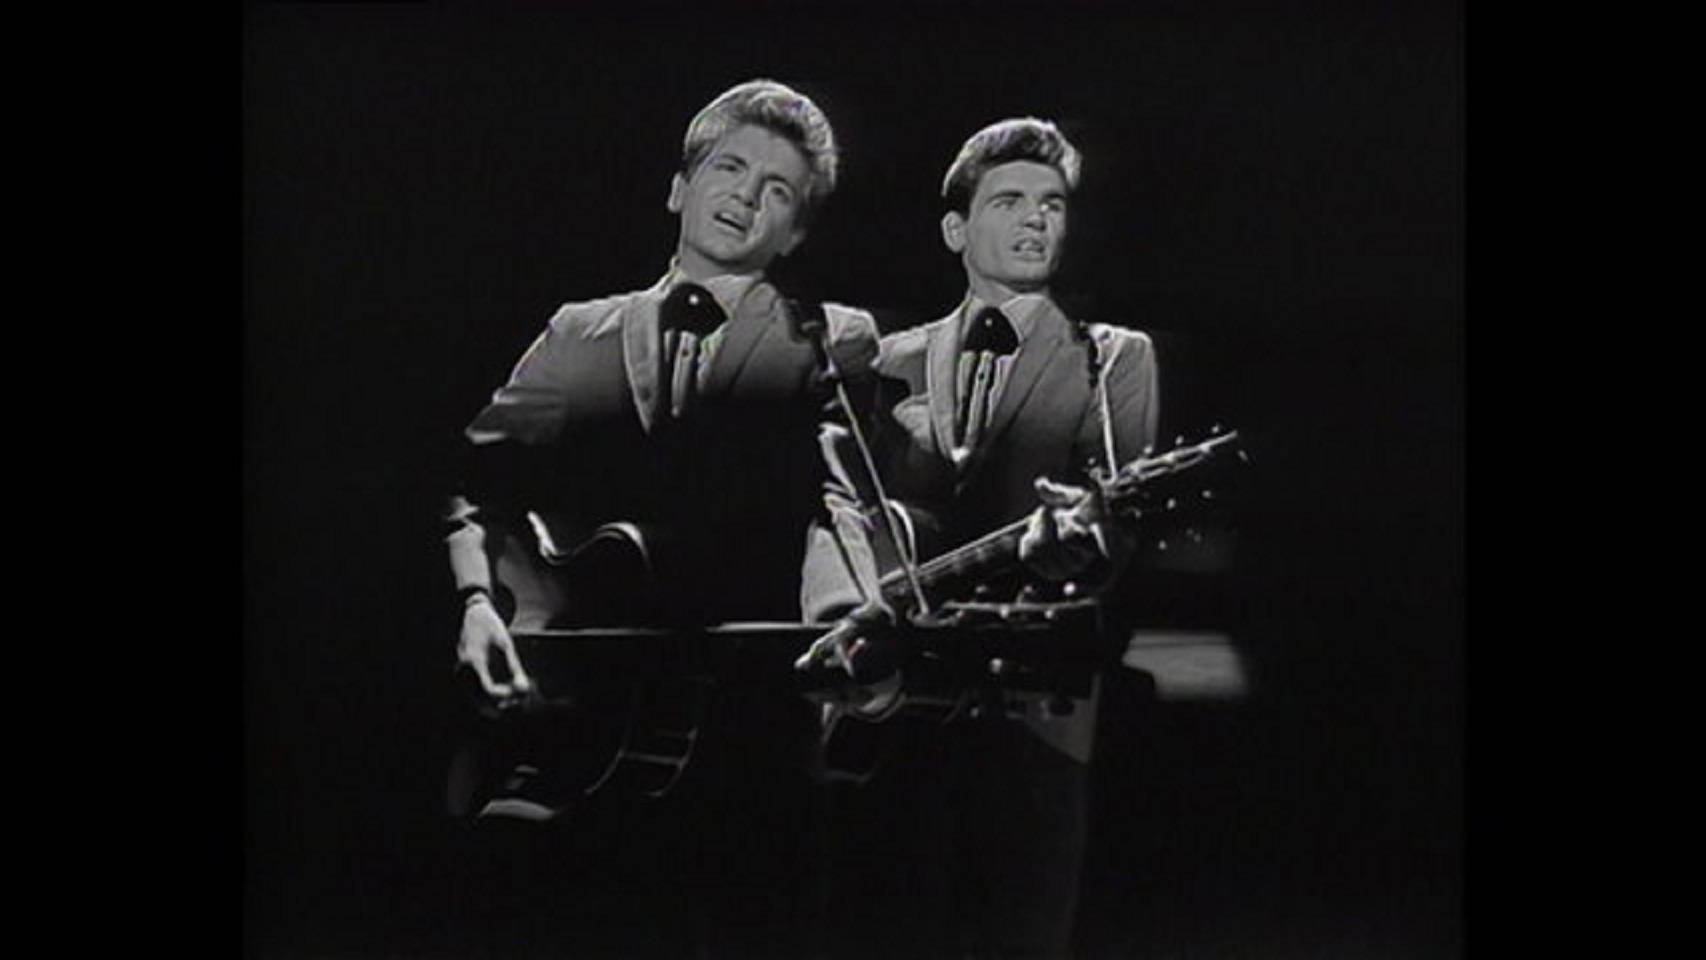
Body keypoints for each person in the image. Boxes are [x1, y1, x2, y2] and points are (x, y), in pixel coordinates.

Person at [441, 79, 877, 958]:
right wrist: (478, 603)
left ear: (794, 233)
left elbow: (837, 501)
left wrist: (850, 611)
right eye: (729, 168)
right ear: (680, 187)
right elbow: (472, 483)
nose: (746, 197)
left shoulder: (832, 339)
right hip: (591, 741)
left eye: (778, 190)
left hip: (751, 747)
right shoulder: (577, 332)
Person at [801, 117, 1160, 958]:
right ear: (956, 229)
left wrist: (1081, 548)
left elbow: (1119, 524)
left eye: (1053, 204)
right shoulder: (883, 363)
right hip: (890, 713)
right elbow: (840, 510)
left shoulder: (1113, 360)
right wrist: (852, 626)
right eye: (1010, 201)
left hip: (1036, 710)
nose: (1038, 220)